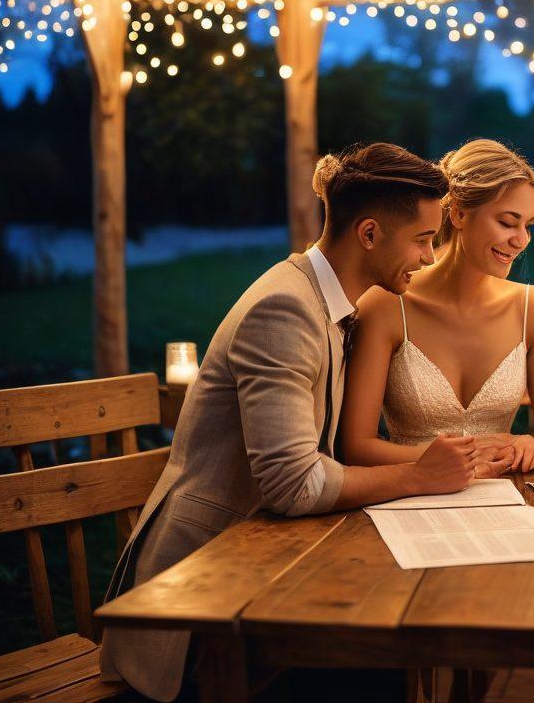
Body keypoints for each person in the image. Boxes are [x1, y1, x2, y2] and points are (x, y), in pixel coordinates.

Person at [100, 142, 478, 702]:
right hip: (198, 598)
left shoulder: (326, 302)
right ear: (369, 234)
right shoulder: (285, 308)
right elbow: (293, 483)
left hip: (266, 566)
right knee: (371, 664)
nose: (428, 258)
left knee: (381, 654)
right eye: (423, 239)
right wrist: (421, 475)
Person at [341, 138, 534, 476]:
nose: (521, 240)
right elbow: (356, 447)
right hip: (409, 499)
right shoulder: (387, 305)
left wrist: (531, 446)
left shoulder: (533, 307)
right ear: (459, 213)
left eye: (528, 225)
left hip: (504, 500)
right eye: (508, 223)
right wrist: (449, 461)